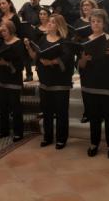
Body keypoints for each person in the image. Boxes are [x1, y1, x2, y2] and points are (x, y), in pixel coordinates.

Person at [78, 9, 109, 159]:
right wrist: (84, 59)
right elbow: (79, 66)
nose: (95, 24)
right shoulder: (85, 41)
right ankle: (94, 143)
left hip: (107, 84)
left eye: (98, 21)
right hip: (89, 84)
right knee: (93, 116)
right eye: (93, 21)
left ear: (104, 23)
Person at [24, 14, 74, 149]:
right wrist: (29, 47)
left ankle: (61, 139)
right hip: (45, 80)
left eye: (53, 22)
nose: (49, 24)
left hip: (60, 81)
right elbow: (36, 56)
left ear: (59, 25)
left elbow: (67, 58)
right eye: (49, 22)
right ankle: (48, 137)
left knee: (61, 113)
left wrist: (51, 61)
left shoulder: (65, 41)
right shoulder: (42, 40)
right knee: (47, 112)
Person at [0, 20, 26, 142]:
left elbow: (20, 64)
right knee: (2, 106)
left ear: (11, 30)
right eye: (1, 31)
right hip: (1, 77)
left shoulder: (18, 43)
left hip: (13, 78)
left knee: (15, 106)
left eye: (4, 30)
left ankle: (18, 132)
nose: (3, 33)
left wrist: (8, 64)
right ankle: (4, 130)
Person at [73, 0, 98, 123]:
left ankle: (98, 113)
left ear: (93, 7)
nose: (86, 7)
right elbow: (74, 37)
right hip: (82, 55)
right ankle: (87, 112)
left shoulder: (97, 20)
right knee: (85, 86)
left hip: (96, 56)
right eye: (84, 5)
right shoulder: (78, 22)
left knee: (97, 85)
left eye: (88, 5)